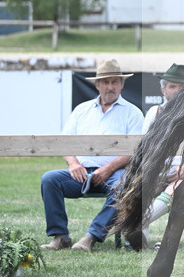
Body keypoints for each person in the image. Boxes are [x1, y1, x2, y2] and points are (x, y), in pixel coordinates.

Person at [41, 59, 144, 252]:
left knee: (124, 185)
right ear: (97, 85)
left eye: (115, 82)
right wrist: (72, 164)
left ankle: (91, 237)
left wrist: (109, 168)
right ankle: (60, 236)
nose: (110, 86)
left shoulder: (133, 113)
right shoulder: (82, 110)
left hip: (116, 172)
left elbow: (135, 150)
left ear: (122, 84)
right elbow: (65, 142)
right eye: (106, 82)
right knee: (50, 180)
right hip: (81, 172)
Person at [139, 63, 184, 247]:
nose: (177, 91)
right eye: (172, 86)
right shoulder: (155, 112)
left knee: (177, 186)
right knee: (141, 186)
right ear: (163, 89)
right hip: (158, 170)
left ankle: (136, 224)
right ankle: (140, 241)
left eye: (181, 87)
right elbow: (144, 148)